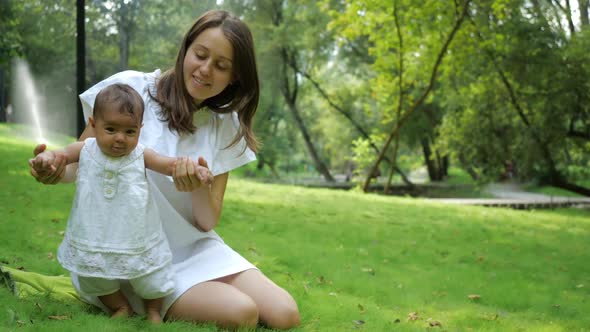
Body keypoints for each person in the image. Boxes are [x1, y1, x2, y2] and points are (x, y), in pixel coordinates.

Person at [29, 9, 300, 330]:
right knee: (242, 313)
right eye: (200, 55)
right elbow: (82, 162)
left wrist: (197, 184)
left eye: (221, 66)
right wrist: (54, 169)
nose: (205, 70)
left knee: (285, 315)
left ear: (235, 77)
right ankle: (135, 297)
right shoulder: (131, 90)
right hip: (126, 255)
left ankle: (195, 291)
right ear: (186, 49)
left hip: (195, 248)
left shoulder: (225, 126)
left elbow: (207, 220)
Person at [31, 83, 212, 323]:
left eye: (129, 132)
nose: (120, 139)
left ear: (140, 129)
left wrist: (196, 170)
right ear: (93, 124)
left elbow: (168, 164)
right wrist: (46, 158)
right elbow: (60, 155)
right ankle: (120, 306)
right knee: (92, 276)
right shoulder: (86, 149)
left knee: (151, 275)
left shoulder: (141, 154)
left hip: (136, 233)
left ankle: (153, 310)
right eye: (111, 129)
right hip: (94, 233)